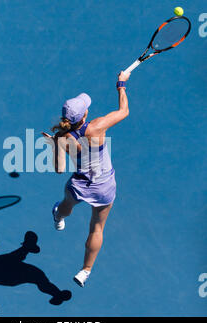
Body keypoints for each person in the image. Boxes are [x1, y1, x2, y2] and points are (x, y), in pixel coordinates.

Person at [42, 71, 130, 287]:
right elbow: (124, 111)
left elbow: (59, 169)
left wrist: (54, 145)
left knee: (65, 206)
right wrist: (121, 84)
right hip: (104, 187)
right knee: (97, 228)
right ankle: (85, 270)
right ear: (83, 116)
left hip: (79, 185)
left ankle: (58, 216)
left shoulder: (63, 138)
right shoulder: (97, 126)